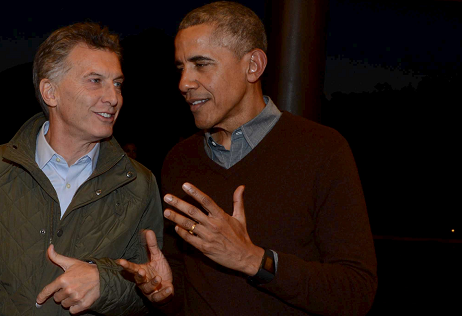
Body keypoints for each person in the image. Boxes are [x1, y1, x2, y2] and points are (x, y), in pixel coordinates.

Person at [121, 2, 377, 315]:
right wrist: (162, 292)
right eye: (181, 68)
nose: (184, 83)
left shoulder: (322, 149)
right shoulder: (180, 159)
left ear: (253, 65)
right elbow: (182, 285)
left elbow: (356, 291)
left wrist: (253, 260)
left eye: (201, 64)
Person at [0, 22, 163, 316]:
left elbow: (151, 287)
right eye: (95, 81)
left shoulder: (139, 184)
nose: (113, 98)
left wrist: (105, 282)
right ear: (50, 92)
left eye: (117, 83)